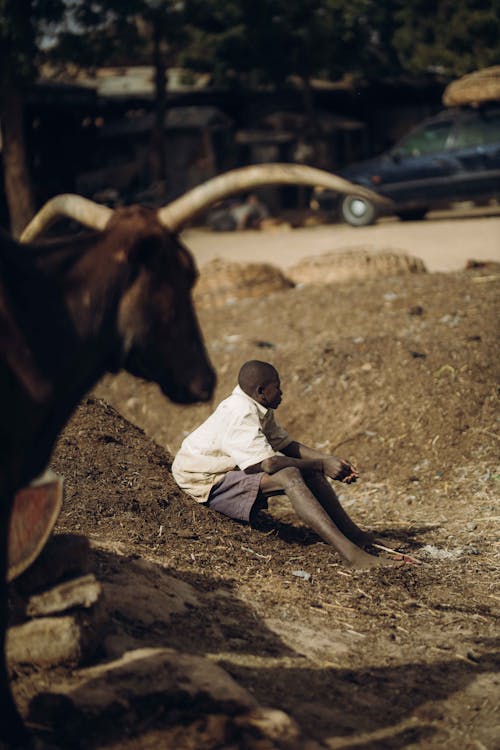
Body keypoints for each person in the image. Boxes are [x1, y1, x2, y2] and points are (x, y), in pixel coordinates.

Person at [172, 360, 399, 569]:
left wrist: (328, 460)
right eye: (277, 387)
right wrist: (320, 465)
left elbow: (286, 444)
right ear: (261, 392)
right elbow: (268, 464)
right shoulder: (240, 413)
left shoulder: (258, 405)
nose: (282, 393)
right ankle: (351, 556)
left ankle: (355, 536)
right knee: (289, 474)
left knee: (306, 469)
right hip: (203, 481)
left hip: (222, 471)